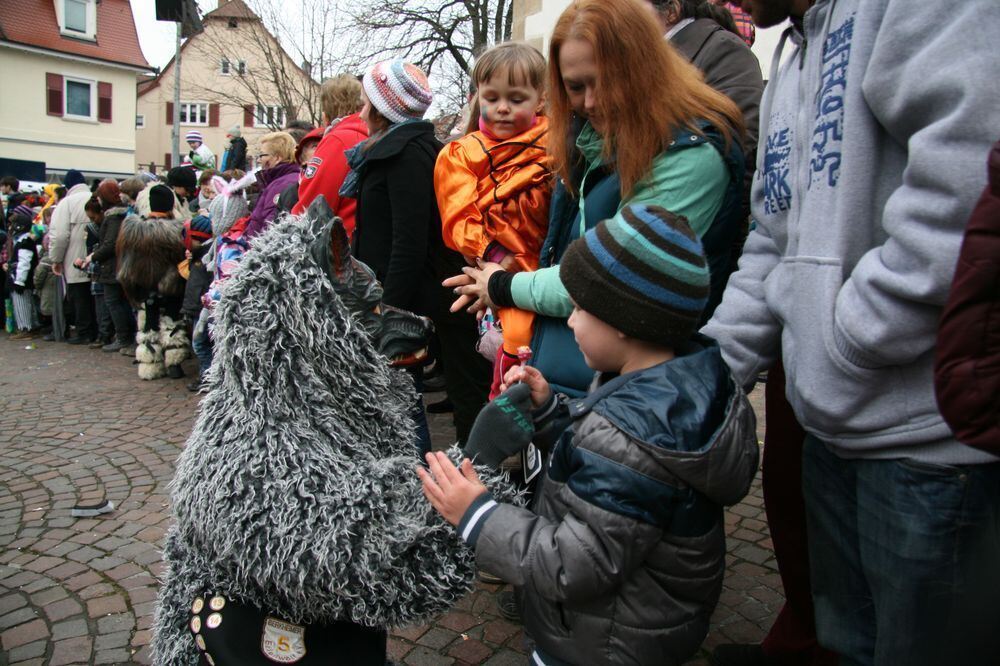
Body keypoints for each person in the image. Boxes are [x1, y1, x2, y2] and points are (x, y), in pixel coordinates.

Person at [702, 2, 1000, 666]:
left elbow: (964, 188)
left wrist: (849, 336)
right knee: (843, 644)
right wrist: (709, 372)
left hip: (927, 448)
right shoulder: (787, 61)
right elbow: (771, 244)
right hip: (830, 431)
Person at [419, 205, 758, 666]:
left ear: (623, 321)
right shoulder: (671, 388)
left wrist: (477, 515)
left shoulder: (630, 430)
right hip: (642, 625)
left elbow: (573, 564)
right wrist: (552, 413)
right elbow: (606, 467)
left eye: (579, 308)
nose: (571, 322)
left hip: (602, 642)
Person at [446, 0, 745, 399]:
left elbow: (609, 280)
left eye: (605, 81)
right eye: (574, 87)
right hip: (570, 387)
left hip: (629, 399)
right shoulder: (590, 142)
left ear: (644, 67)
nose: (589, 102)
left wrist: (503, 285)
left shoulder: (689, 153)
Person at [348, 59, 491, 450]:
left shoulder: (405, 154)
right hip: (418, 295)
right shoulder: (398, 149)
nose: (361, 112)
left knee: (434, 399)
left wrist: (387, 311)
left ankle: (461, 476)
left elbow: (408, 242)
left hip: (418, 297)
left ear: (383, 109)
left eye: (366, 103)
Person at [434, 41, 553, 398]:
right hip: (501, 270)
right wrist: (495, 260)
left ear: (540, 101)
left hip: (550, 266)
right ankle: (506, 403)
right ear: (478, 97)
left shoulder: (556, 142)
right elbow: (459, 215)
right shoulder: (462, 152)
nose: (502, 108)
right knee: (517, 340)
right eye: (492, 97)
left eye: (516, 100)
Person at [116, 184, 189, 380]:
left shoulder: (133, 230)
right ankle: (174, 362)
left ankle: (149, 365)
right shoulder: (177, 230)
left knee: (147, 325)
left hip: (142, 286)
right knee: (172, 322)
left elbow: (125, 263)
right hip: (171, 286)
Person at [292, 74, 369, 234]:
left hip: (338, 246)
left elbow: (312, 207)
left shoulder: (338, 140)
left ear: (327, 111)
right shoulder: (369, 134)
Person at [83, 180, 134, 354]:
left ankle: (123, 337)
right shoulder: (121, 214)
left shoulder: (113, 217)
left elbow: (110, 243)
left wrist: (93, 256)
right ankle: (125, 336)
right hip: (118, 266)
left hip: (113, 267)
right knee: (120, 302)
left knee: (114, 302)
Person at [48, 168, 97, 344]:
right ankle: (99, 332)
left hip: (74, 256)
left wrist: (56, 259)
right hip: (95, 255)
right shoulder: (94, 196)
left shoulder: (66, 203)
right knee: (96, 297)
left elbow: (59, 235)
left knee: (79, 296)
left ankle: (84, 332)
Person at [244, 132, 300, 240]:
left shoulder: (281, 184)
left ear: (278, 157)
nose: (259, 160)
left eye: (262, 155)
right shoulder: (280, 180)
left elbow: (269, 228)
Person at [7, 207, 40, 339]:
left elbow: (24, 263)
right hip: (21, 278)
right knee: (26, 302)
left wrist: (19, 281)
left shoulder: (25, 242)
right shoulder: (22, 241)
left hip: (22, 279)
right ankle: (31, 325)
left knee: (22, 303)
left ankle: (25, 327)